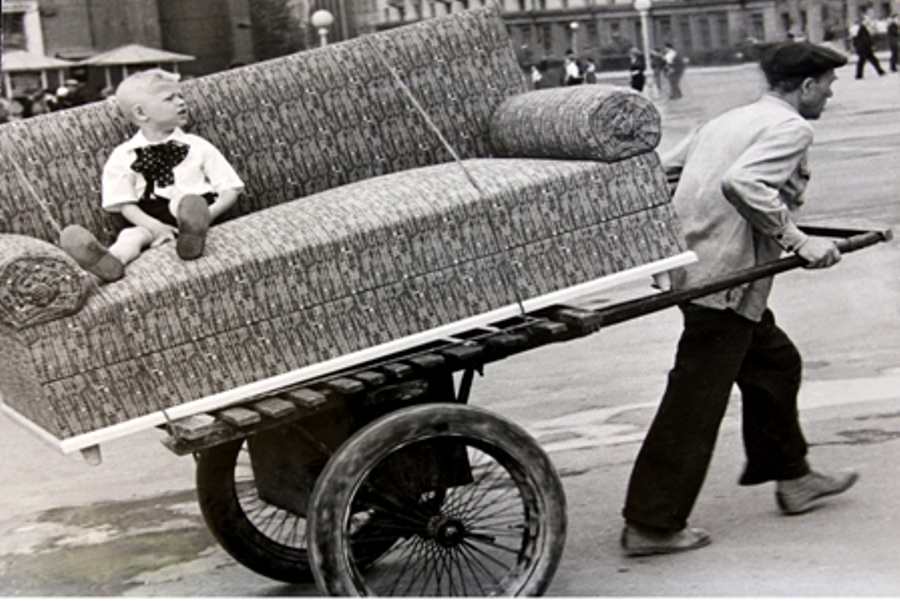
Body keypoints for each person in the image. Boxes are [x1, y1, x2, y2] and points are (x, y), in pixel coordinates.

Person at [620, 41, 858, 556]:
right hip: (725, 282)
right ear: (808, 86)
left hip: (699, 270)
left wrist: (679, 239)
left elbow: (665, 173)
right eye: (829, 86)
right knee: (696, 398)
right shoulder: (793, 127)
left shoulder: (729, 120)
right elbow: (745, 183)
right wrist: (799, 240)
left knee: (774, 362)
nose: (830, 95)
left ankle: (793, 476)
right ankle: (651, 523)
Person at [60, 69, 244, 283]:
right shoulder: (123, 155)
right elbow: (124, 204)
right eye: (170, 98)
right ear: (141, 113)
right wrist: (154, 227)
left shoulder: (197, 146)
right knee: (130, 236)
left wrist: (208, 215)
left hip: (198, 210)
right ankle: (111, 261)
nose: (181, 103)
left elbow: (230, 188)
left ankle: (192, 230)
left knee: (182, 203)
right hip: (150, 217)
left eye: (180, 96)